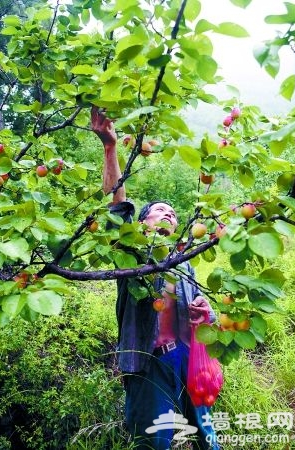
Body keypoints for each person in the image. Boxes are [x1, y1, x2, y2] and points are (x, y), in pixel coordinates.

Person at [91, 107, 220, 450]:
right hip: (151, 363)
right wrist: (110, 148)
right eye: (160, 210)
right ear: (144, 223)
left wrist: (206, 314)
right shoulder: (134, 256)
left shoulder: (184, 265)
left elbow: (208, 315)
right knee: (153, 442)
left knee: (209, 439)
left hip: (190, 361)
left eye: (173, 213)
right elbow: (118, 208)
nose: (169, 214)